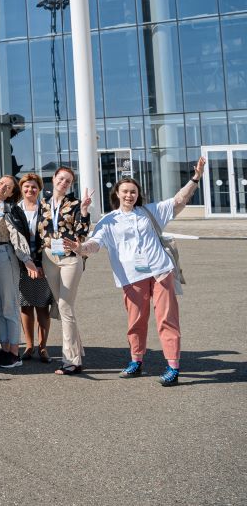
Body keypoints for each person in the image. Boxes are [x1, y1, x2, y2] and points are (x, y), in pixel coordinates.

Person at [67, 158, 205, 387]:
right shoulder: (109, 220)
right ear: (117, 194)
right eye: (125, 191)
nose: (129, 195)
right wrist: (80, 248)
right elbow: (95, 244)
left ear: (138, 194)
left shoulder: (150, 212)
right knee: (136, 321)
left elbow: (179, 200)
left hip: (160, 271)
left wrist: (196, 178)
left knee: (167, 319)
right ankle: (136, 361)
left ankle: (173, 366)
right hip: (132, 277)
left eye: (133, 191)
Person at [0, 175, 37, 369]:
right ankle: (4, 349)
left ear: (11, 193)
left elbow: (16, 235)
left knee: (9, 305)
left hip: (4, 254)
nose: (2, 187)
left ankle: (14, 353)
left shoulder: (10, 209)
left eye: (8, 187)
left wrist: (26, 259)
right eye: (1, 183)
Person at [40, 166, 92, 375]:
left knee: (65, 306)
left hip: (70, 257)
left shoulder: (76, 204)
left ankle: (70, 361)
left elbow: (82, 232)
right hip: (49, 257)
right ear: (54, 179)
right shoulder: (43, 203)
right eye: (61, 179)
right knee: (63, 308)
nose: (63, 183)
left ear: (71, 185)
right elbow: (38, 231)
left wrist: (85, 211)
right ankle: (76, 352)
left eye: (68, 181)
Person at [8, 173, 52, 363]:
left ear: (39, 189)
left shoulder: (46, 209)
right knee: (25, 306)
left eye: (34, 187)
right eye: (26, 186)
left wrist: (41, 264)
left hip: (43, 263)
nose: (30, 190)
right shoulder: (15, 210)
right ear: (21, 189)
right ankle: (29, 346)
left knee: (42, 306)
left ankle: (43, 347)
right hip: (21, 264)